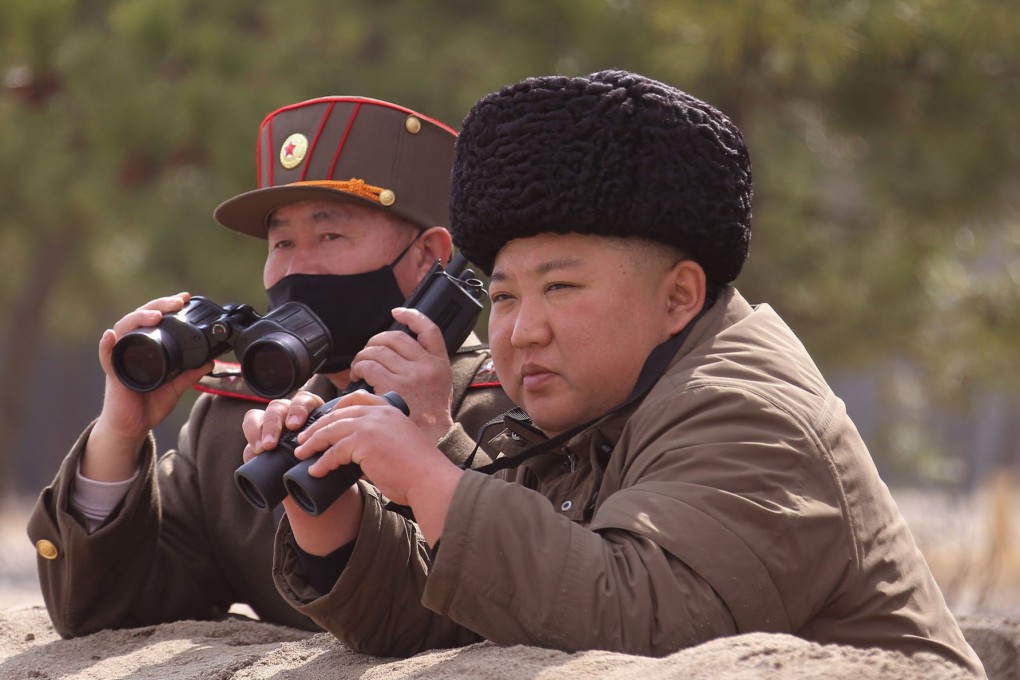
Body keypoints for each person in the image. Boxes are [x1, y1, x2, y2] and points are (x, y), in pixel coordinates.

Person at [252, 71, 985, 676]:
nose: (522, 330)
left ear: (679, 297)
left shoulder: (749, 414)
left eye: (560, 287)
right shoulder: (598, 409)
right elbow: (475, 613)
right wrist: (331, 517)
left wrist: (430, 480)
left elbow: (646, 625)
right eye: (503, 297)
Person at [26, 95, 513, 638]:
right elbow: (103, 612)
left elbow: (526, 599)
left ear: (428, 256)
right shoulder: (235, 428)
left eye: (329, 235)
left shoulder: (512, 410)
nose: (296, 267)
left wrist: (435, 439)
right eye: (281, 241)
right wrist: (120, 434)